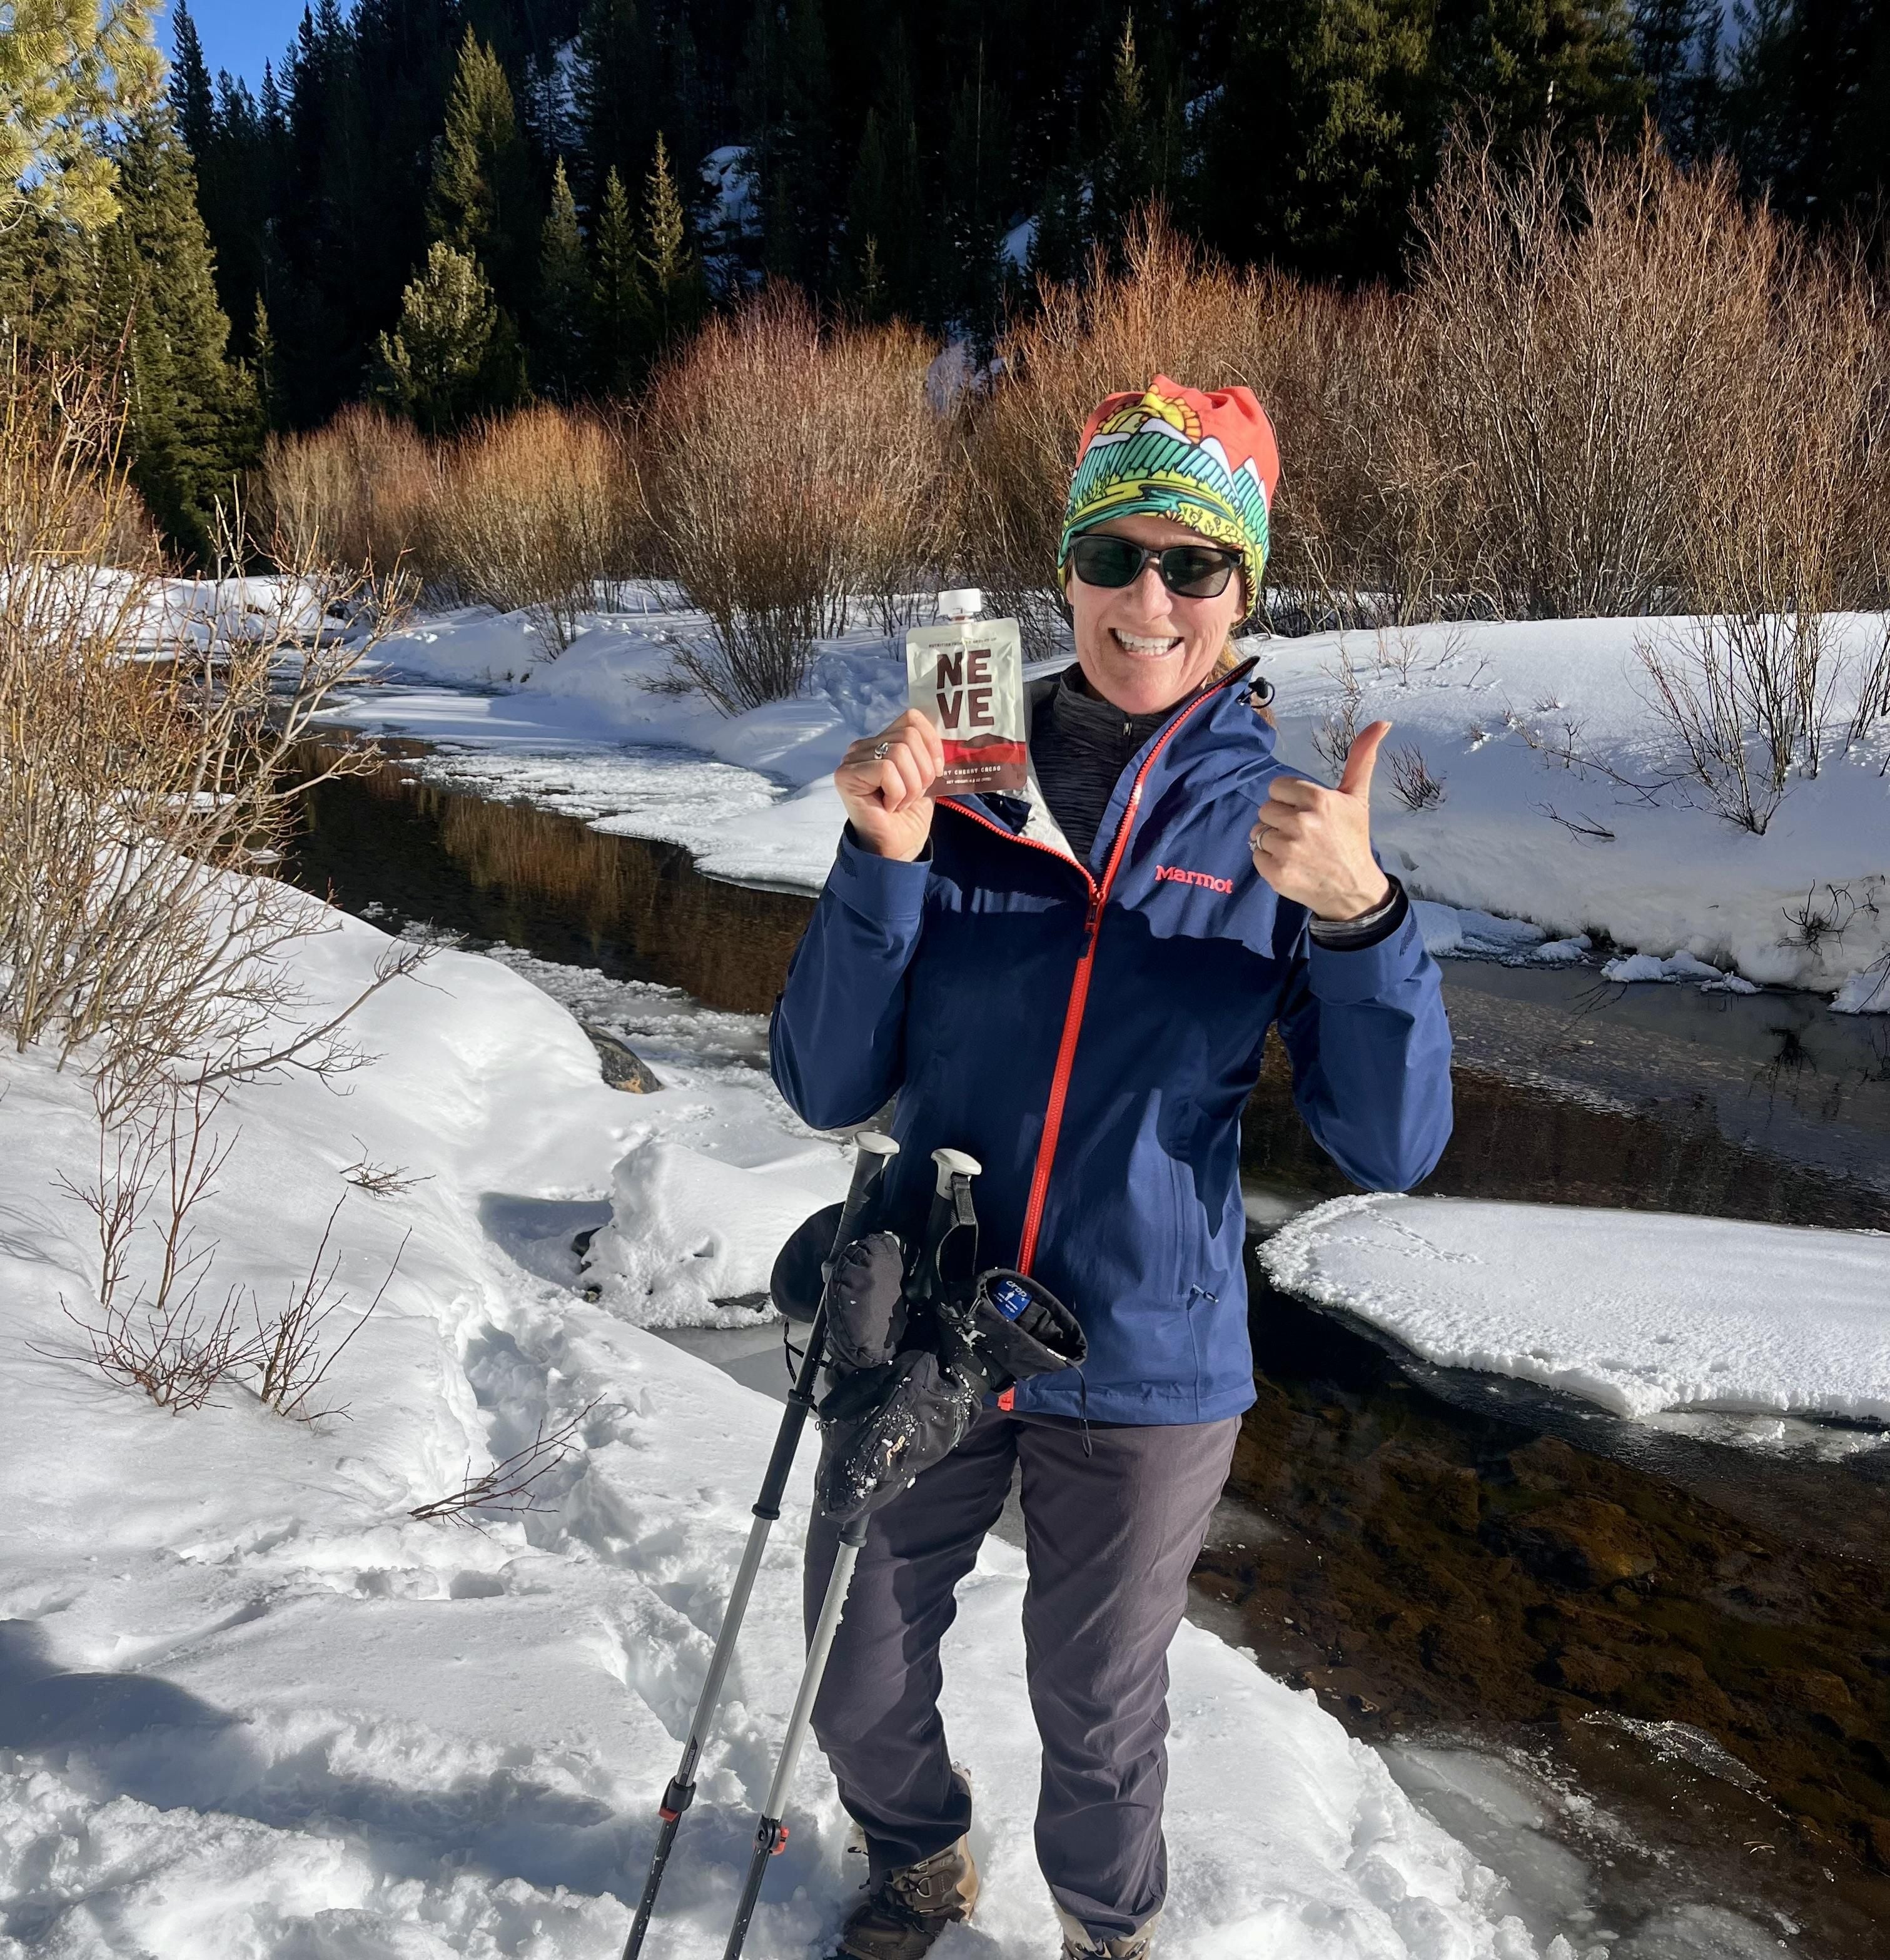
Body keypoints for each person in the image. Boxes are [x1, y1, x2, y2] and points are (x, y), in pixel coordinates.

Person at [769, 376, 1453, 1960]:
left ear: (1240, 590)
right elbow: (821, 1081)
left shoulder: (1279, 825)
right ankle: (918, 1855)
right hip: (933, 1311)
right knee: (850, 1647)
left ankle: (1106, 1932)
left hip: (1144, 1348)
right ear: (1065, 569)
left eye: (1193, 566)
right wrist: (879, 867)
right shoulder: (962, 797)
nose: (1149, 598)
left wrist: (1359, 923)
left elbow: (1388, 1142)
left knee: (1096, 1707)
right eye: (1114, 553)